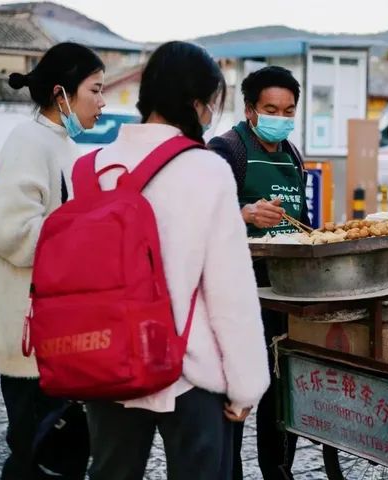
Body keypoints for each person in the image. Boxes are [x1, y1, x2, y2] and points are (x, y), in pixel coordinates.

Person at [80, 41, 270, 480]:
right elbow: (229, 291)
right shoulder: (206, 170)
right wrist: (246, 386)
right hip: (191, 371)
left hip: (107, 362)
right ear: (197, 103)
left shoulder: (90, 168)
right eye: (210, 105)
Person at [0, 42, 106, 480]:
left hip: (52, 336)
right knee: (39, 457)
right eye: (95, 90)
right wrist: (84, 231)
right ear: (62, 94)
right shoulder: (30, 141)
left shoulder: (56, 142)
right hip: (31, 339)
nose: (102, 101)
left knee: (50, 455)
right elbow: (10, 231)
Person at [208, 65, 307, 480]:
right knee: (234, 392)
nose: (280, 118)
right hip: (238, 295)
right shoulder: (225, 150)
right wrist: (244, 212)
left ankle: (277, 469)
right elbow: (203, 218)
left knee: (280, 389)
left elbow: (301, 219)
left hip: (285, 289)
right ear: (250, 109)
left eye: (288, 111)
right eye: (271, 108)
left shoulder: (291, 155)